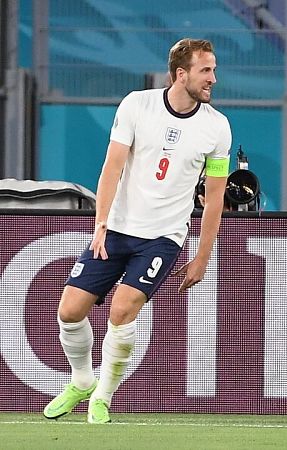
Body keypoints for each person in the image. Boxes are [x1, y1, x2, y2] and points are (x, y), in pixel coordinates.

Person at [42, 38, 232, 424]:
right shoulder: (136, 104)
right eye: (206, 70)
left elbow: (214, 200)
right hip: (117, 229)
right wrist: (100, 224)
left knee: (121, 309)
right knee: (69, 311)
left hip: (163, 236)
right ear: (182, 74)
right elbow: (112, 167)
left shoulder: (217, 127)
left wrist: (202, 257)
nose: (213, 78)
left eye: (213, 69)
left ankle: (103, 398)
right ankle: (81, 381)